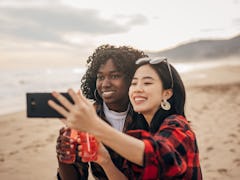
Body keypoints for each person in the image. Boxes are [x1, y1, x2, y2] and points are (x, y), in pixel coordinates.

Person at [49, 57, 202, 179]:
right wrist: (105, 161)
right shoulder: (141, 128)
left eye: (147, 82)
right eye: (134, 83)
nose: (138, 89)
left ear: (166, 93)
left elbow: (159, 157)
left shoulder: (177, 126)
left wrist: (94, 126)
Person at [55, 44, 147, 179]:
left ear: (132, 79)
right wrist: (64, 157)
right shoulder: (86, 117)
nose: (105, 84)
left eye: (115, 76)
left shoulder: (147, 113)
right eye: (100, 77)